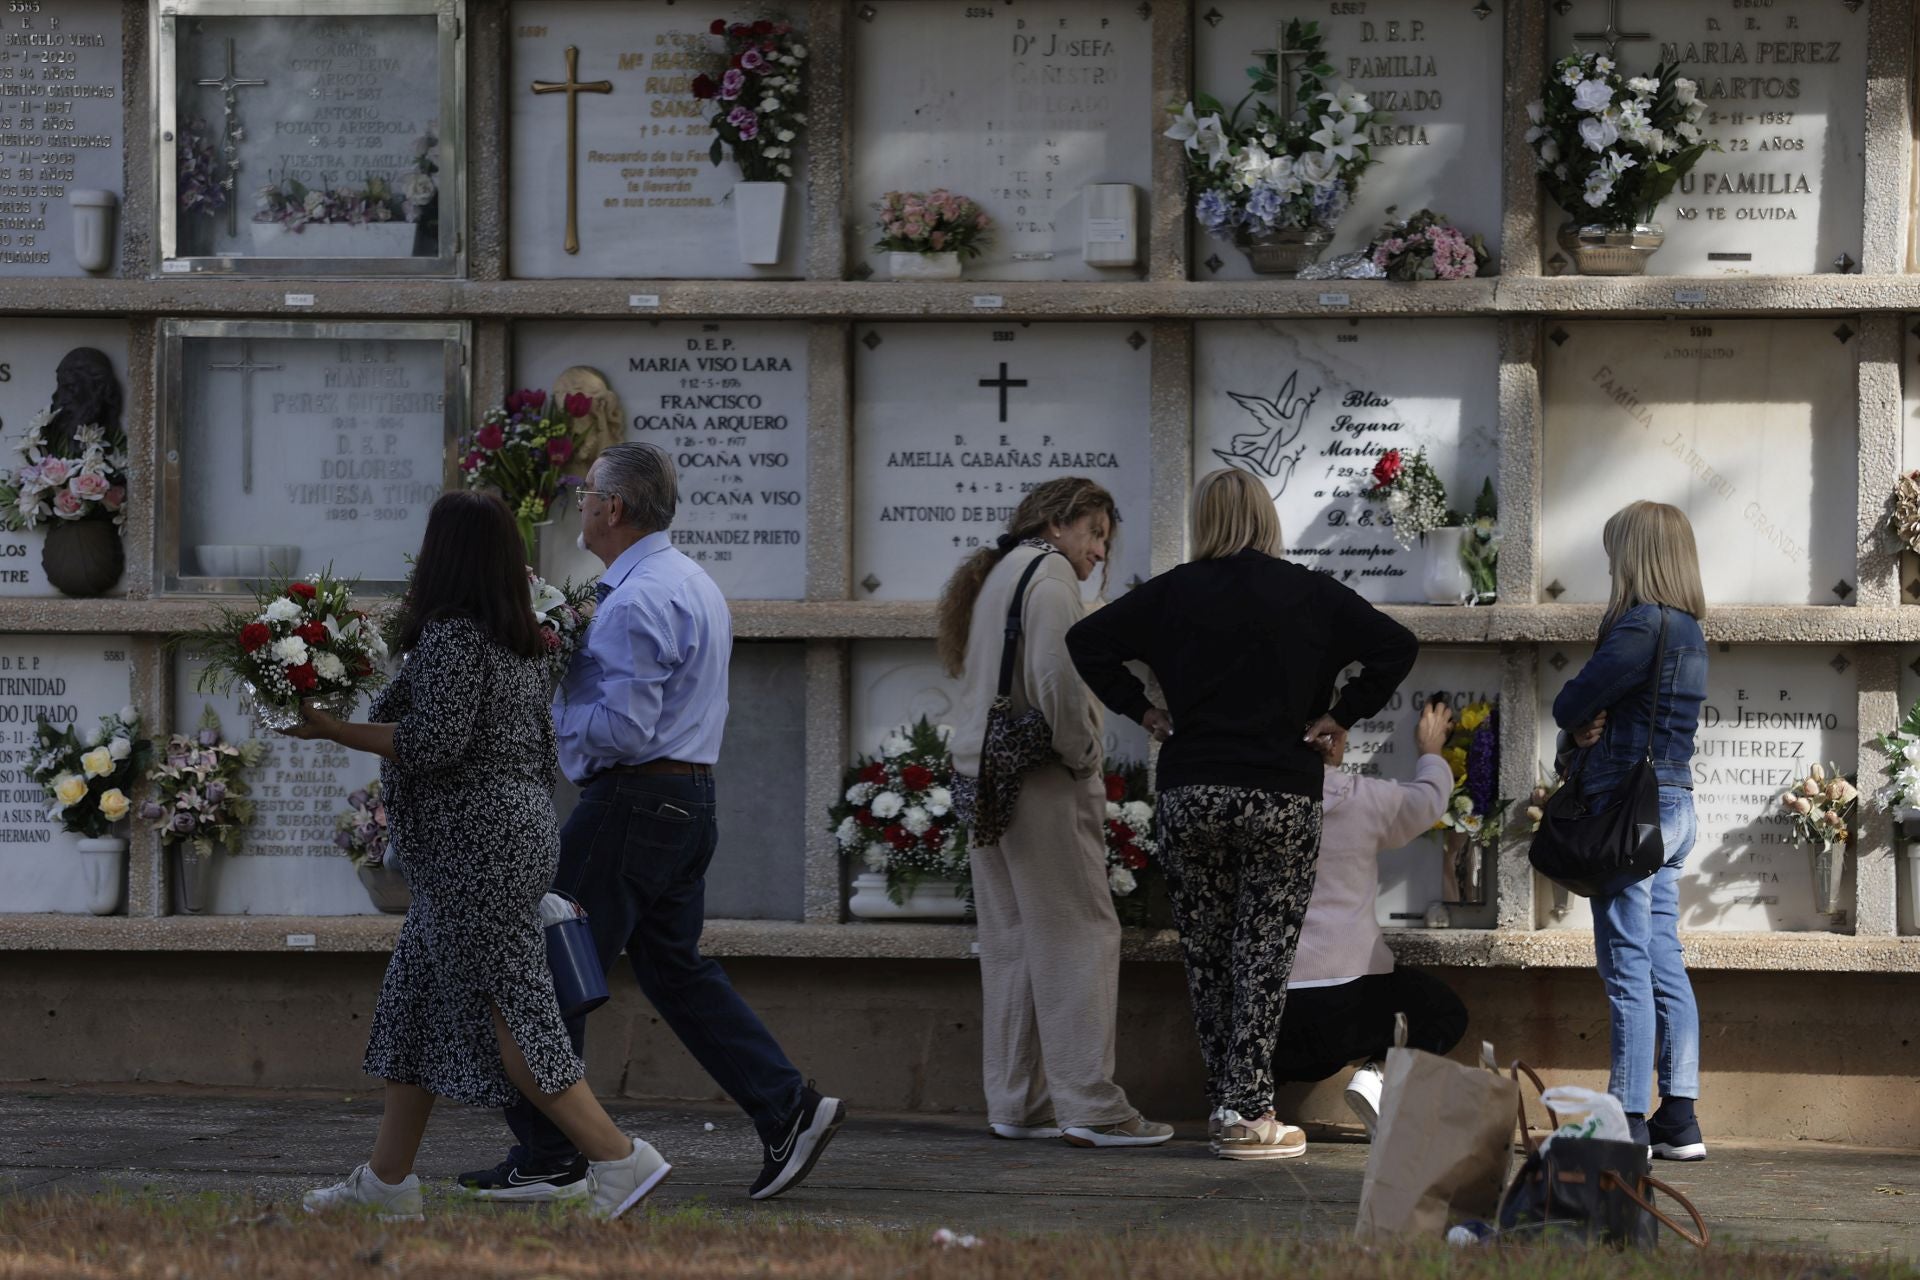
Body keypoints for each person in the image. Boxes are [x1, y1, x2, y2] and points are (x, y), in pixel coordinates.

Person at [462, 442, 844, 1203]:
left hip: (634, 801)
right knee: (675, 970)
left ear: (614, 508)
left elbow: (626, 731)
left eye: (587, 494)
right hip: (684, 801)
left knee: (542, 966)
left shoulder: (634, 599)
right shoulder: (686, 579)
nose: (581, 505)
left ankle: (551, 1153)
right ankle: (787, 1107)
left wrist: (557, 694)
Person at [293, 490, 668, 1222]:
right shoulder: (522, 635)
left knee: (517, 1012)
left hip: (478, 851)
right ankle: (387, 1182)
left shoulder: (457, 636)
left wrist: (330, 729)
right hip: (499, 840)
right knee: (414, 1008)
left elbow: (431, 743)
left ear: (445, 554)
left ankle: (622, 1161)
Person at [1066, 467, 1418, 1161]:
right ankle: (1249, 1114)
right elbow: (1395, 646)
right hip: (1280, 792)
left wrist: (1143, 711)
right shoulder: (1308, 593)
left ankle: (1229, 1104)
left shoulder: (1171, 593)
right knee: (1263, 952)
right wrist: (1338, 715)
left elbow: (1088, 643)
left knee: (1209, 956)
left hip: (1192, 791)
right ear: (1267, 519)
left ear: (1203, 520)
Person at [937, 477, 1173, 1150]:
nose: (1099, 550)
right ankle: (1090, 1105)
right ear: (1058, 522)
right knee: (1079, 934)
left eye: (1105, 537)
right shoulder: (1049, 577)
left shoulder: (1001, 573)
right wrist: (1083, 754)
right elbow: (1058, 681)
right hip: (1039, 779)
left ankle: (1019, 1099)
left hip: (983, 775)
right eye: (1094, 532)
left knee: (1012, 940)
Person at [1551, 500, 1708, 1162]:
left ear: (1636, 555)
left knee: (1626, 967)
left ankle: (1629, 1123)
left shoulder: (1639, 626)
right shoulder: (1689, 629)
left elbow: (1568, 702)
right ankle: (1680, 1118)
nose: (1610, 561)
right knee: (1664, 958)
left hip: (1627, 816)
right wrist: (1595, 724)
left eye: (1616, 549)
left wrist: (1579, 724)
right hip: (1674, 809)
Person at [1276, 700, 1467, 1137]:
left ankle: (1248, 1097)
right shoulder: (1361, 799)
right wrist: (1431, 749)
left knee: (1269, 1028)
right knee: (1443, 1012)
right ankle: (1377, 1074)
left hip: (1274, 1012)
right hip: (1351, 1005)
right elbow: (1429, 800)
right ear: (1334, 740)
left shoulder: (1257, 804)